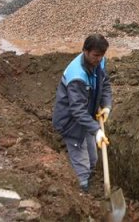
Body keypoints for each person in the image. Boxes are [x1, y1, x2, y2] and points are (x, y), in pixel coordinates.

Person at [52, 34, 113, 192]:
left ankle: (89, 182)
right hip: (71, 122)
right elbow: (77, 110)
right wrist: (96, 130)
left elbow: (104, 83)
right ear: (85, 51)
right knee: (83, 167)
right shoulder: (77, 76)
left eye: (102, 55)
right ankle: (83, 194)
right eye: (95, 55)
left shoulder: (99, 63)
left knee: (93, 159)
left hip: (86, 119)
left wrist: (106, 105)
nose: (99, 59)